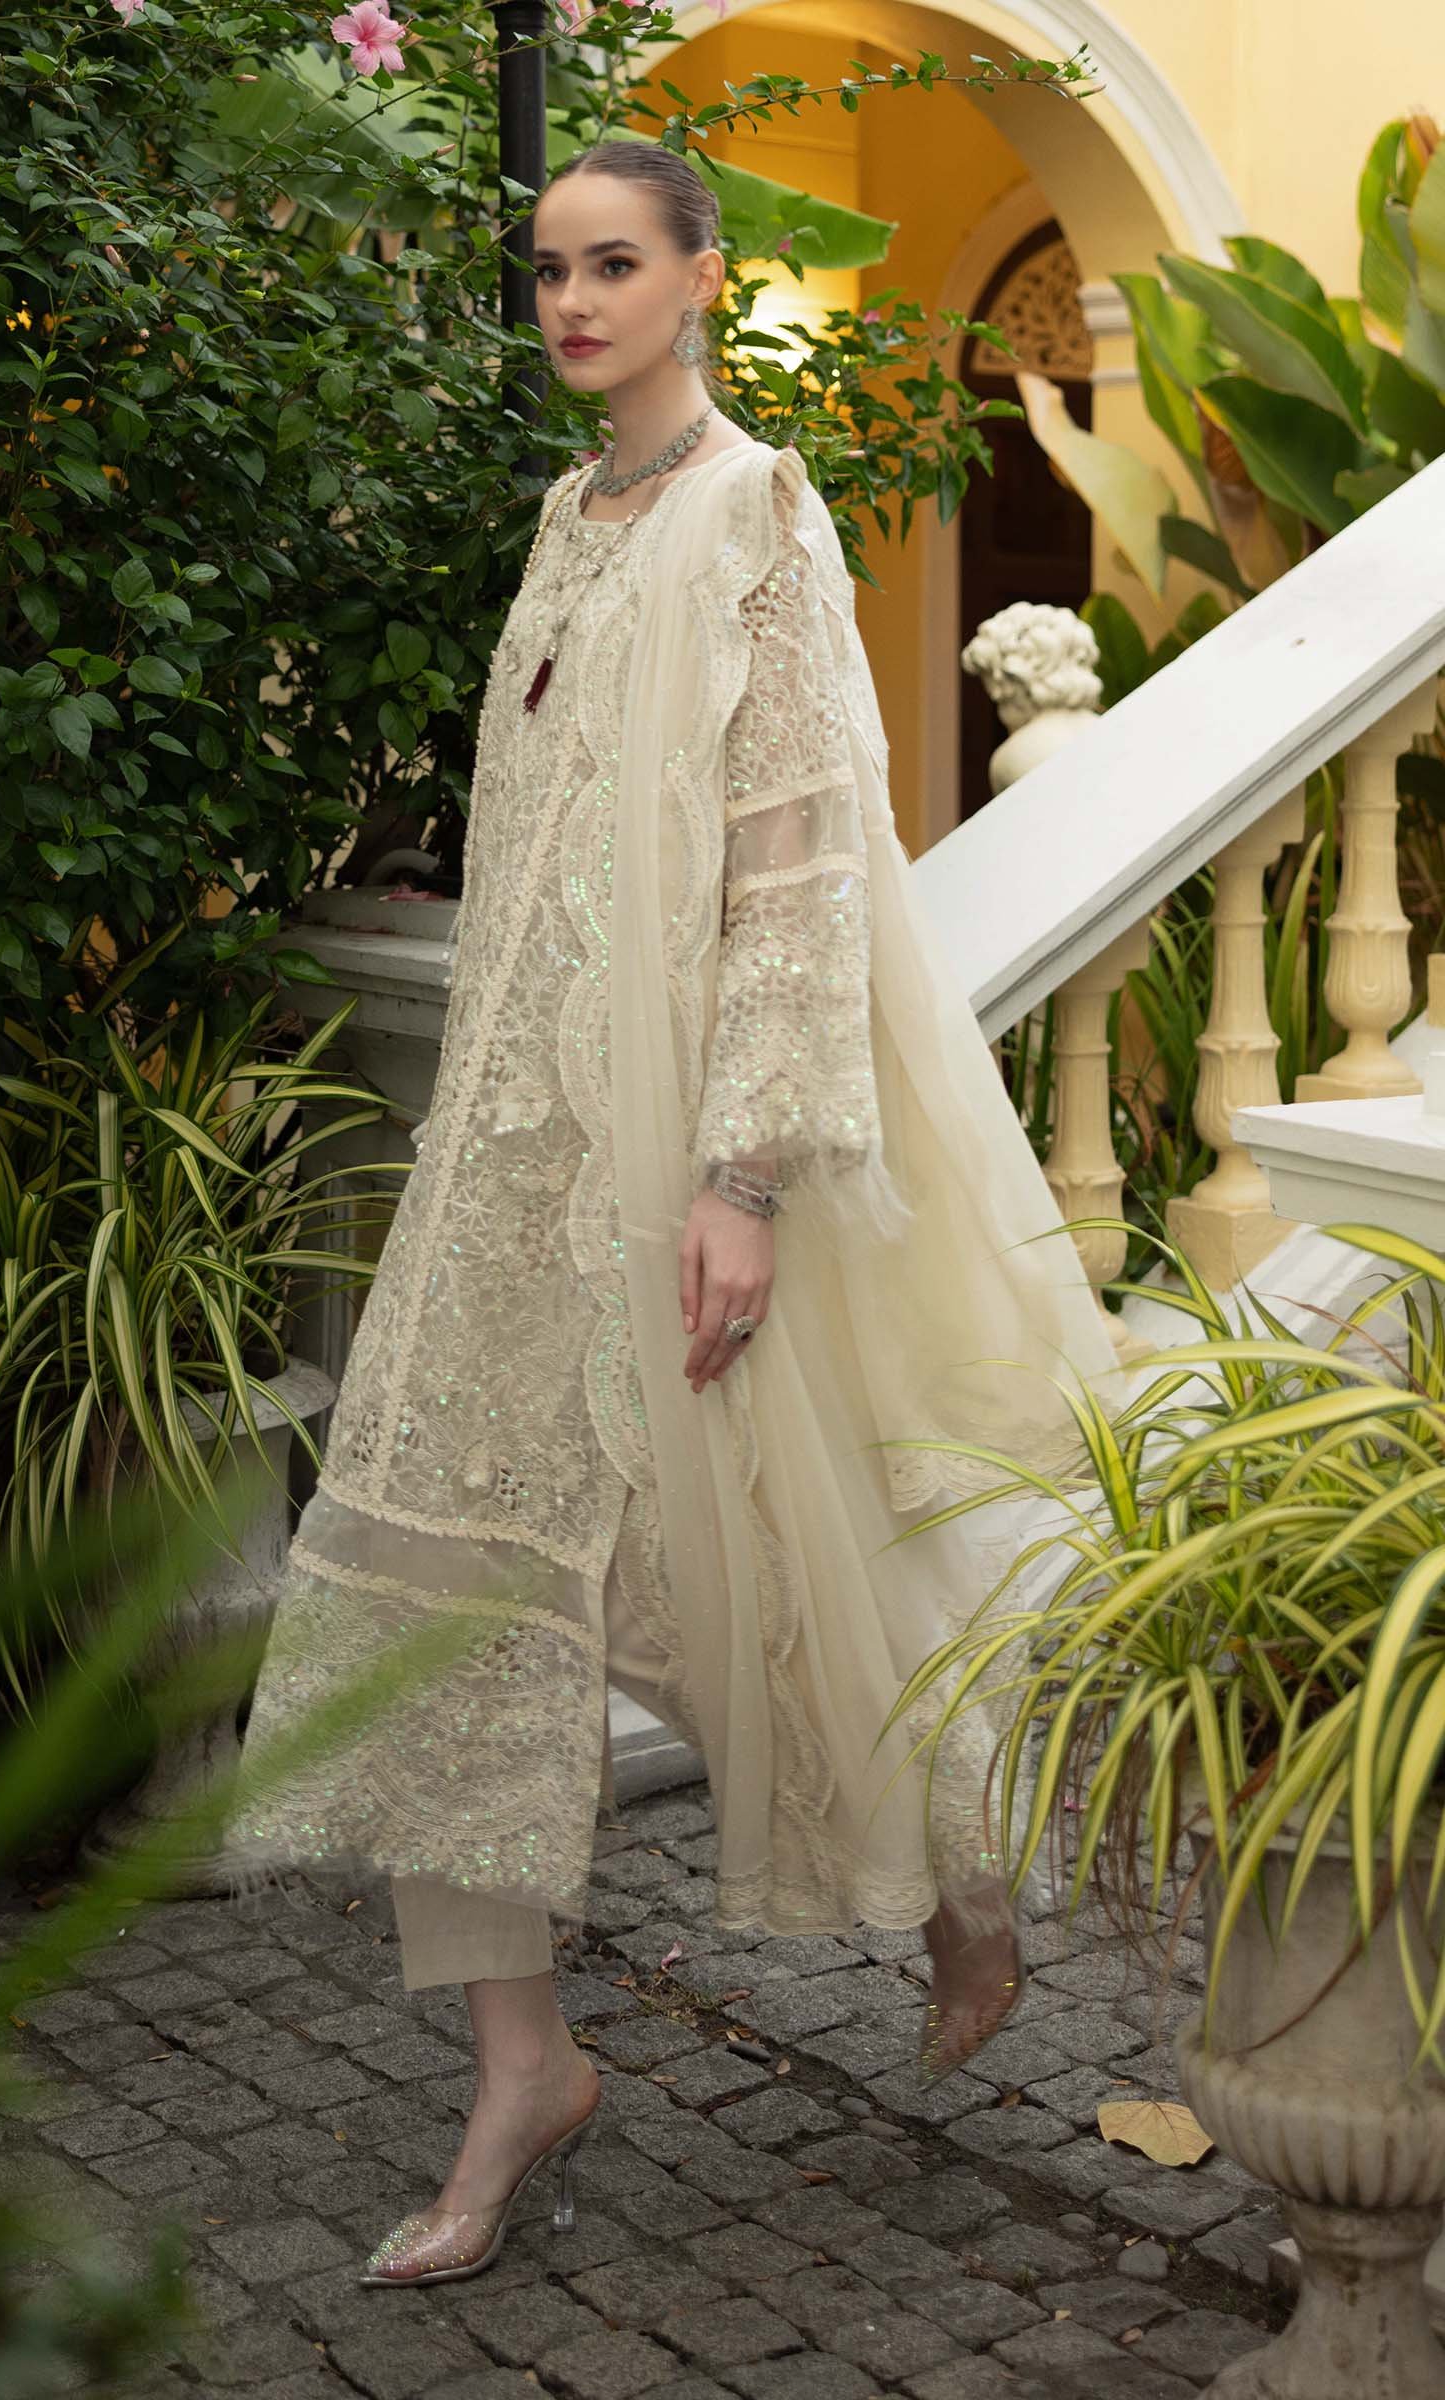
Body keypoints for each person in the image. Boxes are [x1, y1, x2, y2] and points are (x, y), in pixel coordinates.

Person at [225, 137, 1128, 2288]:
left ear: (703, 276)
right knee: (439, 1567)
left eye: (612, 263)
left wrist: (740, 1178)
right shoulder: (570, 516)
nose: (570, 300)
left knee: (739, 1575)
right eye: (548, 267)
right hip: (506, 1150)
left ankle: (954, 1879)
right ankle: (520, 2064)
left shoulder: (759, 515)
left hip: (672, 1154)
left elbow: (801, 862)